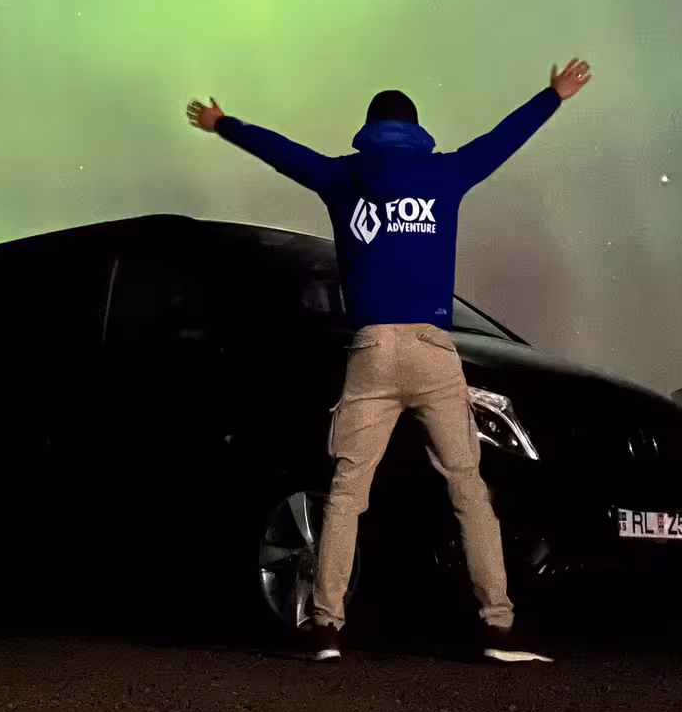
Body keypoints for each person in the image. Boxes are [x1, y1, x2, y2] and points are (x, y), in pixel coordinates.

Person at [186, 60, 593, 663]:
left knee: (347, 492)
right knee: (468, 491)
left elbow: (284, 153)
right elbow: (504, 140)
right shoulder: (446, 172)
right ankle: (500, 628)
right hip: (433, 351)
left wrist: (225, 124)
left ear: (369, 129)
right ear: (416, 130)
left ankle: (326, 628)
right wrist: (553, 96)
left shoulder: (342, 178)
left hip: (372, 351)